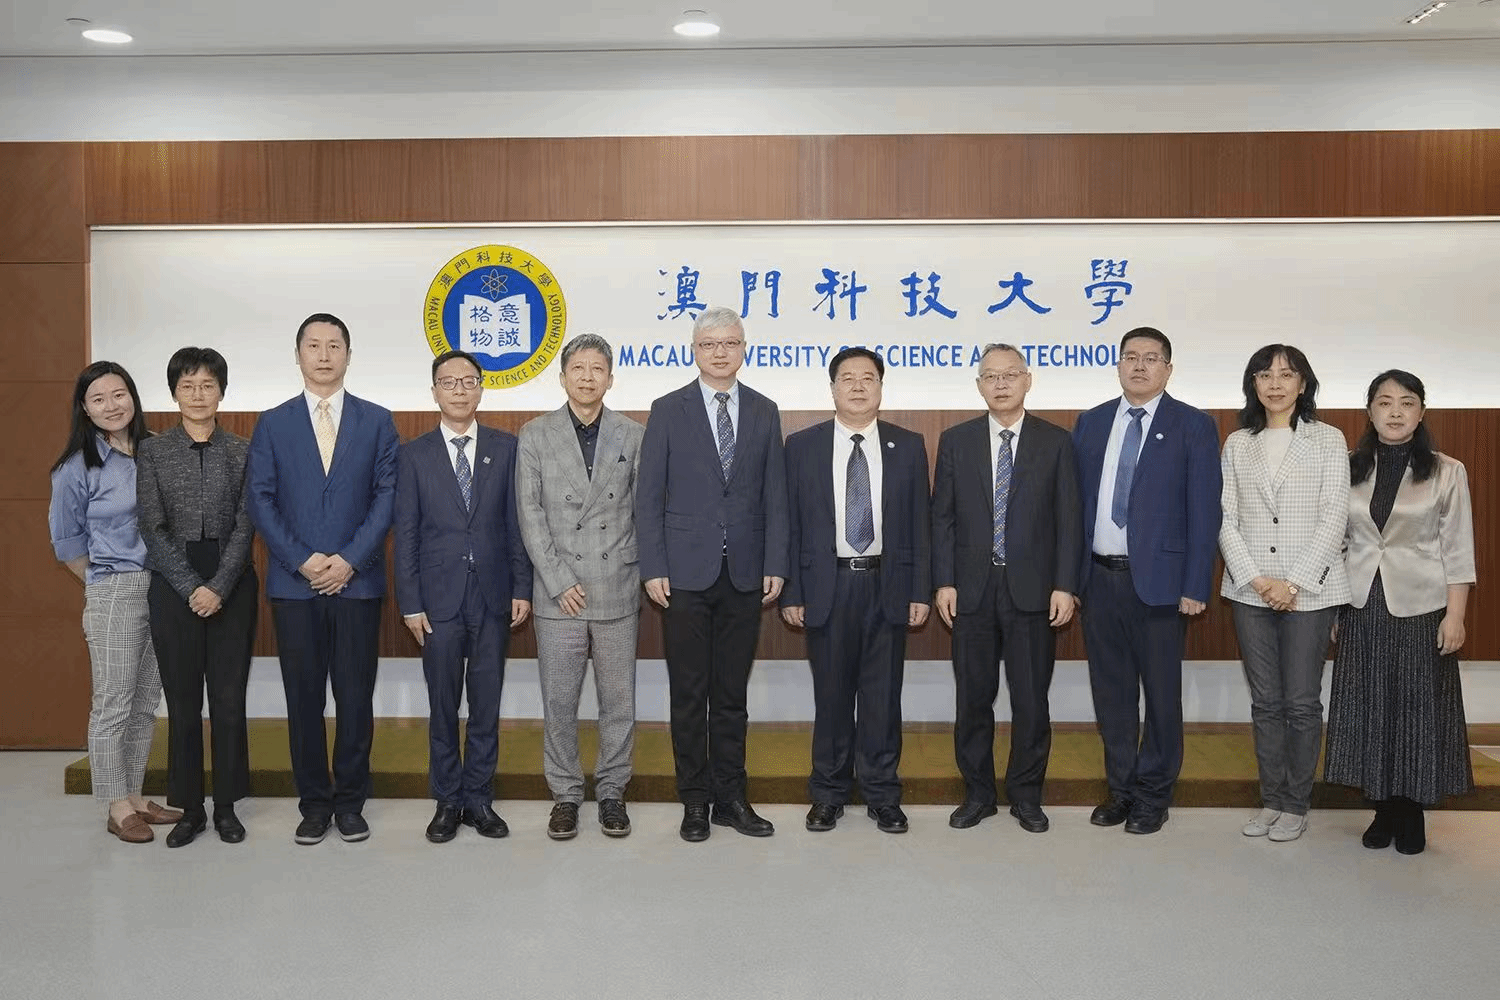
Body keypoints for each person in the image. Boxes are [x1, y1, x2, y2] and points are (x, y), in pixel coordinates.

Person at [637, 305, 790, 842]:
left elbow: (776, 494)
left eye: (730, 343)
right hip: (682, 575)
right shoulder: (667, 409)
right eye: (709, 344)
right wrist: (653, 565)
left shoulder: (765, 410)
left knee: (731, 696)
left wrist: (776, 563)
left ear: (744, 349)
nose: (720, 352)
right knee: (688, 694)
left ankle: (731, 798)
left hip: (745, 573)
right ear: (694, 351)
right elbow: (648, 496)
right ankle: (695, 800)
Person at [246, 313, 399, 845]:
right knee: (303, 700)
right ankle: (313, 804)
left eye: (335, 345)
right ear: (298, 355)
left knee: (355, 699)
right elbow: (260, 500)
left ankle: (351, 803)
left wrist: (350, 560)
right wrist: (303, 561)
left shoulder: (377, 421)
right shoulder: (273, 423)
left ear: (349, 355)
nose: (325, 354)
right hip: (295, 586)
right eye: (314, 345)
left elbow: (386, 497)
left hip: (358, 584)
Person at [1072, 327, 1222, 835]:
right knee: (1112, 695)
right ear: (1117, 365)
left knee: (1160, 696)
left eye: (1151, 358)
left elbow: (1205, 510)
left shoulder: (1193, 425)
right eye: (1130, 357)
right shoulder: (1092, 422)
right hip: (1099, 580)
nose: (1139, 366)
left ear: (1168, 369)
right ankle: (1121, 790)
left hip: (1161, 585)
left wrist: (1196, 584)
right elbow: (1075, 505)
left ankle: (1154, 795)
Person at [1324, 370, 1475, 856]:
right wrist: (1334, 607)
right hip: (1362, 606)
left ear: (1421, 412)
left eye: (1407, 402)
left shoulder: (1447, 471)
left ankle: (1410, 812)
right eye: (1384, 402)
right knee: (1371, 707)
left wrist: (1456, 615)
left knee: (1416, 710)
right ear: (1369, 411)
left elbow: (1458, 549)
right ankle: (1382, 809)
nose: (1395, 411)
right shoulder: (1348, 466)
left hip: (1421, 608)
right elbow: (1338, 542)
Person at [781, 347, 931, 835]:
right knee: (831, 696)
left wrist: (920, 590)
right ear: (832, 389)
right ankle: (828, 793)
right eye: (848, 378)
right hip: (827, 585)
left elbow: (920, 524)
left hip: (888, 583)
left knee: (883, 698)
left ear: (881, 388)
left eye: (869, 378)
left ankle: (883, 794)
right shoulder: (802, 446)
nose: (859, 386)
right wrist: (792, 592)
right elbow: (790, 524)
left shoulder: (908, 445)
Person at [932, 343, 1081, 833]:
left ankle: (1026, 796)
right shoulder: (956, 441)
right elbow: (943, 518)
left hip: (1034, 592)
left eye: (1010, 374)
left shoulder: (1055, 442)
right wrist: (944, 581)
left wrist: (1065, 585)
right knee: (973, 699)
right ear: (979, 385)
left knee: (1031, 700)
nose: (1000, 383)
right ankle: (977, 794)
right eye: (990, 376)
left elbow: (1069, 520)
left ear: (1027, 380)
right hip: (971, 591)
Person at [395, 349, 532, 843]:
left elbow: (517, 523)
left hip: (494, 595)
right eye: (448, 382)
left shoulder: (507, 447)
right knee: (442, 704)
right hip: (437, 600)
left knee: (486, 703)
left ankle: (479, 798)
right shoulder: (413, 454)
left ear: (481, 389)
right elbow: (406, 534)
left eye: (468, 381)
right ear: (434, 391)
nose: (459, 389)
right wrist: (410, 602)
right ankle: (447, 800)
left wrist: (522, 586)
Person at [1218, 345, 1350, 843]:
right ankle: (1271, 798)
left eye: (1286, 374)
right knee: (1266, 703)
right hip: (1251, 591)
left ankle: (1296, 803)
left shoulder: (1328, 439)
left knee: (1301, 702)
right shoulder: (1238, 442)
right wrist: (1258, 580)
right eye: (1264, 375)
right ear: (1252, 384)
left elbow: (1334, 516)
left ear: (1303, 383)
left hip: (1310, 592)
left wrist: (1292, 582)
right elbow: (1225, 518)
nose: (1275, 384)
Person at [517, 334, 644, 840]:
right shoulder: (535, 434)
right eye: (578, 368)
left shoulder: (633, 434)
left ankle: (612, 792)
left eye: (597, 369)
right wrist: (557, 579)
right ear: (563, 376)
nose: (588, 377)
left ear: (610, 378)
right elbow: (529, 514)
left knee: (619, 703)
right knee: (559, 702)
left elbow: (643, 511)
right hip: (559, 592)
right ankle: (566, 795)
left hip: (617, 585)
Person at [49, 361, 181, 844]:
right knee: (113, 704)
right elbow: (67, 545)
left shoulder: (156, 450)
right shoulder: (75, 468)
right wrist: (105, 582)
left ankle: (136, 795)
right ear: (84, 409)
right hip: (115, 591)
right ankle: (115, 805)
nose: (111, 405)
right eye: (98, 399)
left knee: (145, 702)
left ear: (133, 397)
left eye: (118, 394)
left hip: (162, 588)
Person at [136, 348, 259, 847]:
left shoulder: (244, 450)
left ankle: (226, 806)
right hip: (173, 584)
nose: (198, 394)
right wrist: (191, 587)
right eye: (187, 386)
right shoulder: (153, 452)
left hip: (232, 581)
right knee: (183, 703)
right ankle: (189, 809)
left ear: (221, 392)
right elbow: (152, 526)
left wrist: (219, 586)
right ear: (174, 394)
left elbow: (247, 524)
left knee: (228, 700)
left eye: (208, 385)